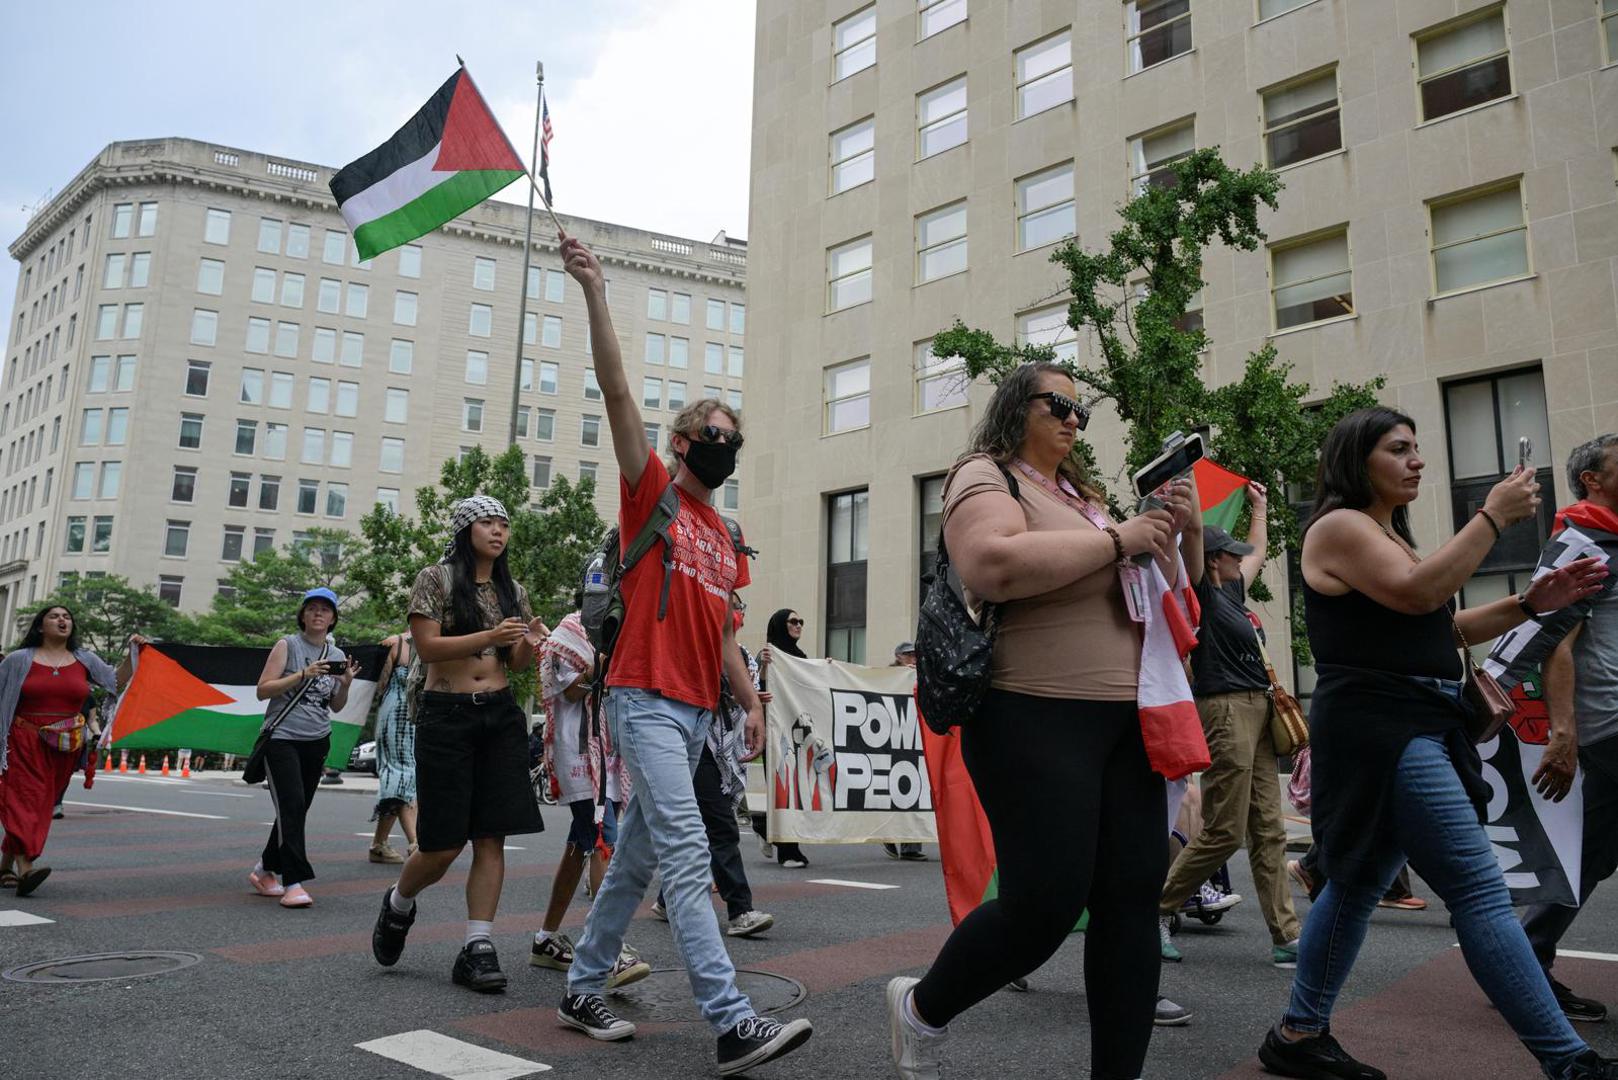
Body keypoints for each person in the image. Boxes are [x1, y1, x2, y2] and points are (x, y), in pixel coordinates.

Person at [1257, 406, 1616, 1080]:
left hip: (1404, 722)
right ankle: (1568, 1061)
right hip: (1384, 730)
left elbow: (1440, 629)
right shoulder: (1340, 526)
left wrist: (1534, 602)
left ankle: (1299, 1034)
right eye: (1400, 449)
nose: (1417, 460)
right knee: (1480, 891)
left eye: (1418, 448)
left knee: (1358, 883)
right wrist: (1491, 517)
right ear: (1355, 460)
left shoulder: (1385, 534)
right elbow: (1422, 596)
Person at [888, 361, 1195, 1080]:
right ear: (1014, 408)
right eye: (1057, 404)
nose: (1072, 419)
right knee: (1043, 908)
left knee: (1129, 905)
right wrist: (1124, 537)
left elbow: (1170, 591)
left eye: (1080, 411)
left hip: (1128, 723)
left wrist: (1171, 530)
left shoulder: (1083, 497)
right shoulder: (986, 475)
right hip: (1032, 712)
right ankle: (921, 1009)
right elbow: (992, 564)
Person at [554, 233, 812, 1076]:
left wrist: (753, 706)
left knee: (635, 858)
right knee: (687, 848)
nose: (723, 440)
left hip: (699, 709)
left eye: (732, 432)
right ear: (681, 441)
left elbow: (727, 633)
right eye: (710, 430)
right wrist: (596, 289)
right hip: (642, 696)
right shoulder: (653, 496)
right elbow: (619, 389)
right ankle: (732, 1019)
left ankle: (582, 982)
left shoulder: (725, 537)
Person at [369, 495, 550, 992]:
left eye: (504, 524)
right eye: (488, 522)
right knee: (441, 845)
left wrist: (526, 641)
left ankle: (478, 946)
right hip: (446, 716)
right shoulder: (437, 578)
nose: (498, 531)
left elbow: (514, 666)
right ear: (466, 528)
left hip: (499, 714)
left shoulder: (515, 590)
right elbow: (426, 648)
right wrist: (490, 633)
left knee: (491, 835)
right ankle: (398, 902)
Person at [1159, 493, 1299, 967]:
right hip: (1224, 711)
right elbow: (1194, 536)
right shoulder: (1200, 592)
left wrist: (1260, 507)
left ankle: (1286, 935)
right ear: (1216, 561)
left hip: (1258, 712)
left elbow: (1259, 550)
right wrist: (1188, 486)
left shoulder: (1234, 593)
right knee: (1223, 831)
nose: (1243, 559)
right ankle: (1155, 909)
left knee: (1269, 829)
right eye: (1233, 554)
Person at [1519, 434, 1618, 1025]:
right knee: (1591, 854)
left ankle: (1525, 960)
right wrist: (1563, 733)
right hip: (1609, 724)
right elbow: (1554, 641)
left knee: (1593, 855)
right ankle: (1523, 960)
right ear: (1593, 480)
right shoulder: (1581, 540)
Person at [530, 599, 651, 987]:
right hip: (580, 754)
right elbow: (570, 693)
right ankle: (607, 951)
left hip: (609, 755)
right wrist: (603, 659)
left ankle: (546, 939)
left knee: (580, 843)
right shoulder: (570, 630)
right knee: (603, 839)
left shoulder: (626, 630)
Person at [653, 592, 777, 937]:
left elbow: (745, 690)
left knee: (702, 828)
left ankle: (666, 898)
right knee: (720, 826)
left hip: (725, 748)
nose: (734, 614)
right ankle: (741, 910)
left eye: (738, 608)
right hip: (696, 741)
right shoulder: (695, 646)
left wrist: (751, 700)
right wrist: (734, 694)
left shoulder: (743, 656)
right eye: (729, 607)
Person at [0, 609, 136, 896]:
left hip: (64, 745)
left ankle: (4, 866)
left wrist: (133, 655)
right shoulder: (18, 660)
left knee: (40, 802)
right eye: (54, 617)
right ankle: (26, 869)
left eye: (67, 617)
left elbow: (115, 682)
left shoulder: (85, 659)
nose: (62, 620)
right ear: (40, 626)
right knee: (26, 799)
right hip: (22, 739)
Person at [247, 587, 358, 909]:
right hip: (282, 738)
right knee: (293, 805)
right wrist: (301, 674)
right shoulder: (288, 645)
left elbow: (336, 706)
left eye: (325, 610)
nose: (318, 614)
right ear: (303, 615)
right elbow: (263, 691)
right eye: (312, 609)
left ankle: (263, 870)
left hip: (317, 739)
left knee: (295, 809)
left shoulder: (336, 657)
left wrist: (345, 685)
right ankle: (292, 882)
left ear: (334, 618)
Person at [753, 608, 811, 869]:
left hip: (797, 733)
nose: (798, 625)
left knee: (796, 787)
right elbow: (759, 688)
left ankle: (763, 825)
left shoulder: (800, 657)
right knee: (783, 787)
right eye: (792, 622)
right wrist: (765, 666)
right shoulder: (767, 656)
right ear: (779, 625)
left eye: (801, 621)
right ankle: (788, 851)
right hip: (774, 733)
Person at [368, 630, 418, 864]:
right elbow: (377, 687)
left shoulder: (437, 645)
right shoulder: (394, 644)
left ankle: (379, 844)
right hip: (394, 718)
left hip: (419, 721)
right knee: (401, 776)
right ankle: (416, 842)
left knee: (403, 779)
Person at [882, 642, 927, 862]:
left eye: (915, 655)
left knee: (913, 791)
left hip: (913, 739)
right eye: (909, 655)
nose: (914, 659)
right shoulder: (890, 676)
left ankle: (910, 846)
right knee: (895, 792)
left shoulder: (920, 674)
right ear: (899, 656)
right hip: (892, 741)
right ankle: (889, 835)